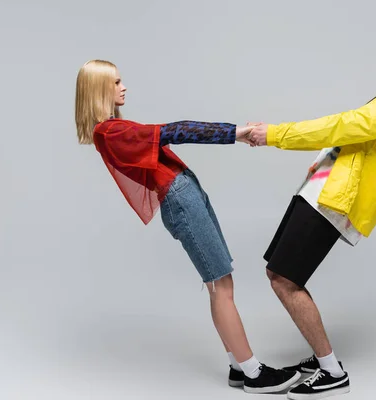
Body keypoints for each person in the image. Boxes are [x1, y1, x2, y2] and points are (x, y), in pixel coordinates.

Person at [74, 59, 300, 394]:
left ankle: (238, 367)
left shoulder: (111, 129)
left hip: (185, 191)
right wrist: (236, 133)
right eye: (117, 82)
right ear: (99, 88)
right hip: (180, 198)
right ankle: (254, 373)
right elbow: (175, 130)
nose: (124, 87)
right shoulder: (110, 131)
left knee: (221, 282)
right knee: (219, 286)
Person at [246, 29, 376, 399]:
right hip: (319, 190)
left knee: (285, 279)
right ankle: (322, 360)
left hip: (333, 199)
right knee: (277, 272)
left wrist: (275, 134)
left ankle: (332, 371)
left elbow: (346, 125)